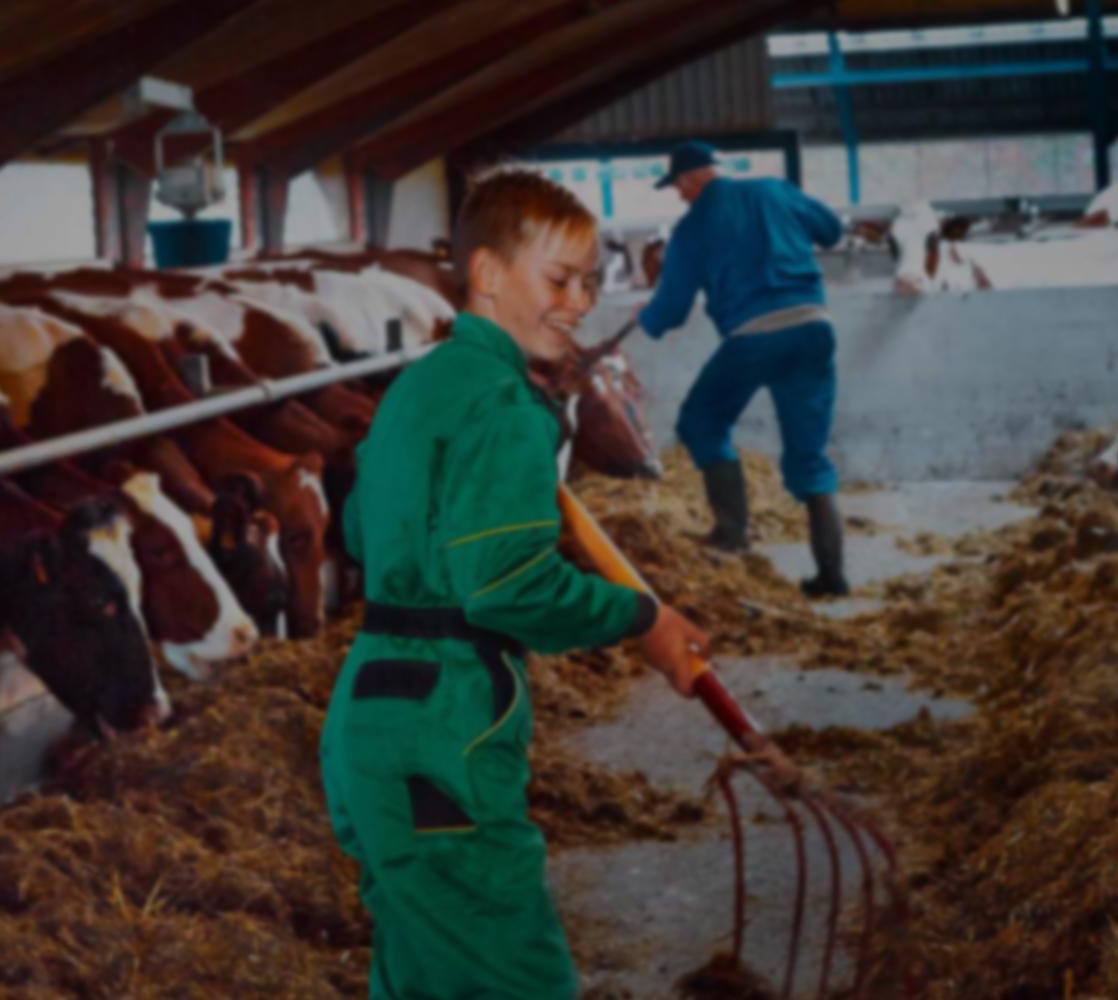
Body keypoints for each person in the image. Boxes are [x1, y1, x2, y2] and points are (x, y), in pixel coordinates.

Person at [320, 170, 714, 999]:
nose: (578, 302)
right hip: (446, 729)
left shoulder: (417, 388)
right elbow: (507, 588)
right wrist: (641, 617)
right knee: (512, 976)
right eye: (559, 279)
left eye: (589, 282)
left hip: (370, 717)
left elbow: (357, 531)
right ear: (489, 274)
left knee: (420, 972)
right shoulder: (503, 404)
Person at [637, 140, 851, 597]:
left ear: (691, 177)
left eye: (677, 185)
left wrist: (645, 320)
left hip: (754, 334)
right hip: (814, 327)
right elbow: (831, 230)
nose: (678, 195)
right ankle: (832, 577)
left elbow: (671, 309)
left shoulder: (693, 227)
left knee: (701, 421)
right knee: (809, 456)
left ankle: (732, 533)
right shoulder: (774, 190)